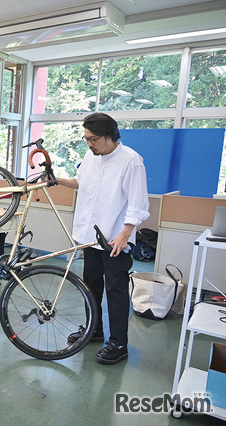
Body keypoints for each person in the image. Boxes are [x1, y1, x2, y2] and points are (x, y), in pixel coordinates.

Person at [58, 112, 149, 365]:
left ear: (109, 136)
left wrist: (125, 234)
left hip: (115, 240)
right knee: (91, 286)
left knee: (116, 292)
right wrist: (58, 180)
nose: (89, 144)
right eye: (87, 139)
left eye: (93, 139)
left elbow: (139, 202)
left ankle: (119, 344)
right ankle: (94, 330)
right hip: (90, 236)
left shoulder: (131, 161)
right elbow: (81, 182)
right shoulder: (91, 156)